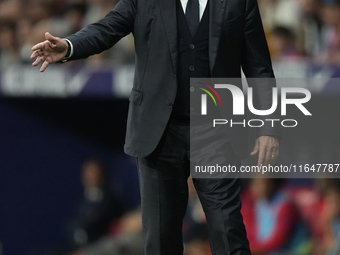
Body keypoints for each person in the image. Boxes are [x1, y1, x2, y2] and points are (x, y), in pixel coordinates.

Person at [30, 0, 280, 254]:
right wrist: (70, 46)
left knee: (228, 229)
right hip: (158, 133)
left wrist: (268, 126)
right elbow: (107, 28)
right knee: (161, 238)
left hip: (217, 130)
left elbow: (259, 67)